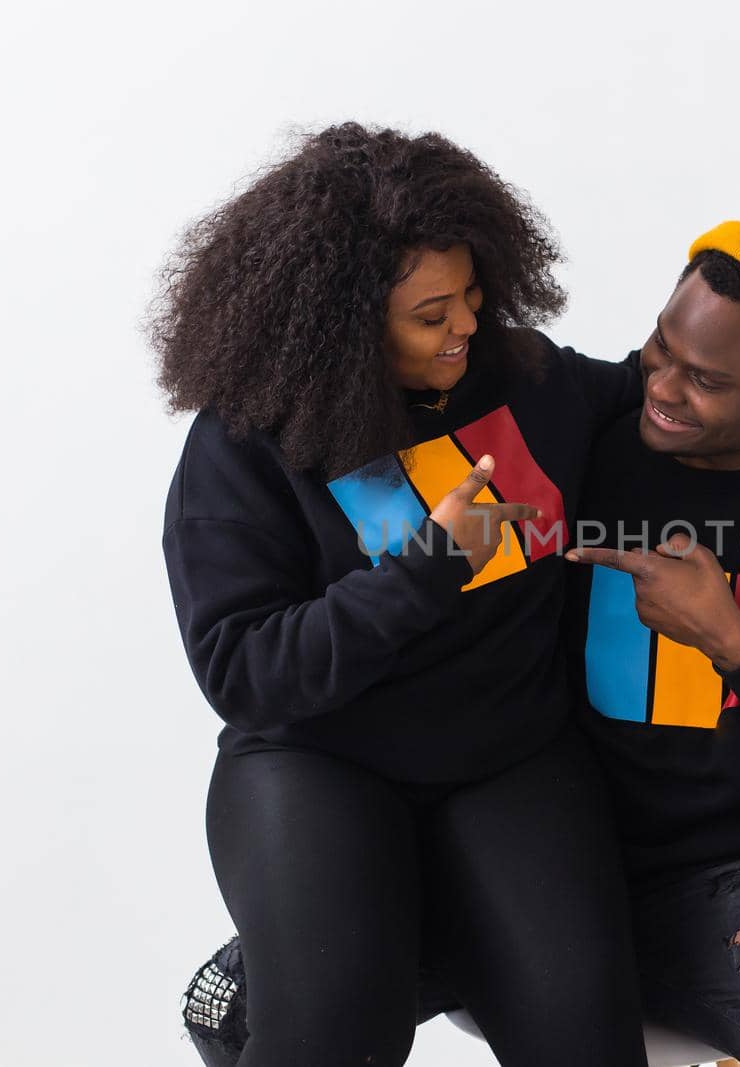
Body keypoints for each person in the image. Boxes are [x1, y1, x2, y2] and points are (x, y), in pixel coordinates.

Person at [180, 222, 740, 1067]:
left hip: (695, 867)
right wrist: (424, 568)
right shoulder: (572, 420)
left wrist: (736, 642)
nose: (661, 385)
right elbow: (244, 666)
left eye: (705, 379)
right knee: (282, 1014)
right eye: (659, 347)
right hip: (457, 825)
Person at [154, 121, 649, 1067]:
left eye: (472, 295)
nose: (466, 325)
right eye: (432, 314)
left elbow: (647, 400)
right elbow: (247, 670)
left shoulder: (522, 375)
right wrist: (427, 565)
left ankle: (406, 942)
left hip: (508, 757)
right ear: (347, 321)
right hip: (319, 762)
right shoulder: (247, 444)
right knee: (334, 1035)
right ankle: (308, 968)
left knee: (586, 1037)